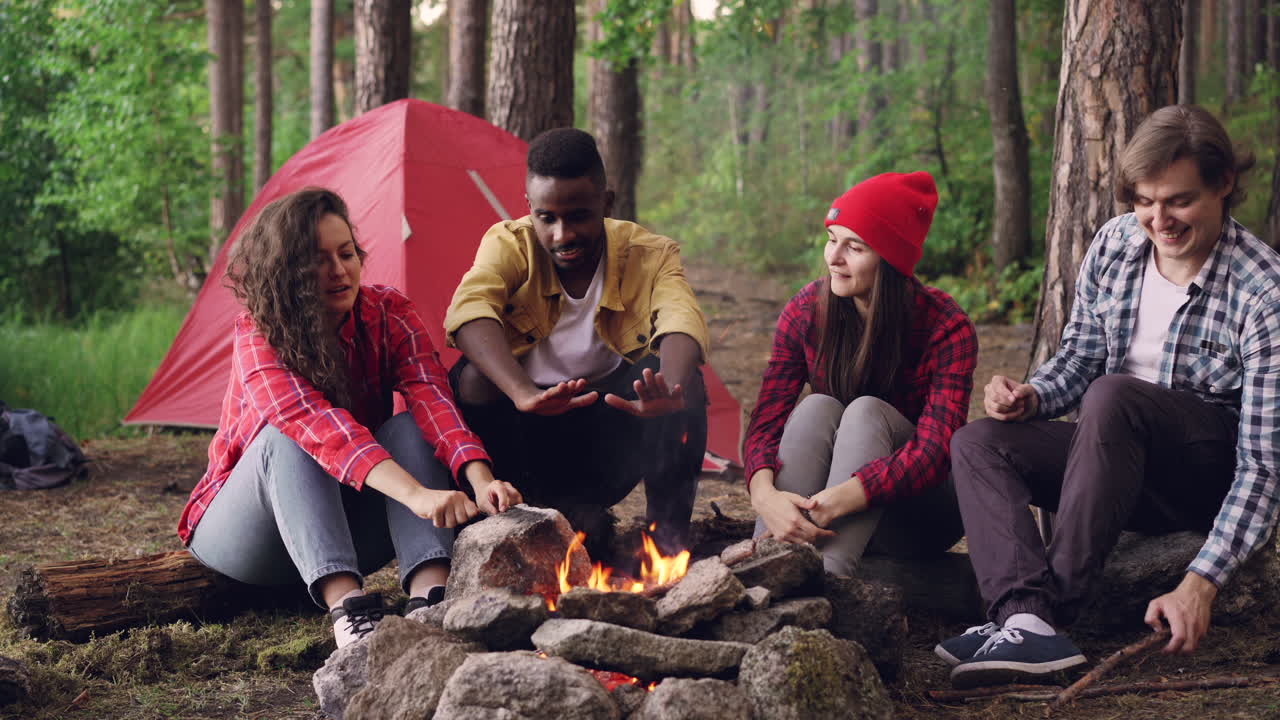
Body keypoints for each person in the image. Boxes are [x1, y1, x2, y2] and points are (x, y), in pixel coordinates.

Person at [942, 105, 1280, 689]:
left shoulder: (1263, 290)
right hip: (1115, 460)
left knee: (1114, 396)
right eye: (1145, 200)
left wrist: (1202, 580)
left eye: (1178, 200)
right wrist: (1030, 397)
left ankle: (1057, 613)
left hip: (1199, 479)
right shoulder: (1117, 243)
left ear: (1224, 184)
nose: (1159, 219)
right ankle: (1024, 616)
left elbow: (1263, 466)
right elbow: (1079, 358)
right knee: (979, 442)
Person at [179, 188, 521, 648]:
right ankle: (350, 611)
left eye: (347, 253)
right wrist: (417, 495)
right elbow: (318, 426)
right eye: (318, 260)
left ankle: (430, 597)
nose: (339, 271)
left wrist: (479, 480)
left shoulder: (388, 312)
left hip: (345, 521)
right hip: (249, 538)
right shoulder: (258, 333)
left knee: (409, 425)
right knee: (287, 438)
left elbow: (435, 400)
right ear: (285, 272)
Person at [443, 127, 709, 558]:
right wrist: (524, 393)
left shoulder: (650, 253)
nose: (562, 234)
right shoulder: (508, 243)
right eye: (546, 217)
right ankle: (503, 520)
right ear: (529, 208)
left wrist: (671, 391)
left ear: (606, 203)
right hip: (522, 443)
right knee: (473, 379)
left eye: (579, 215)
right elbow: (469, 311)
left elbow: (681, 317)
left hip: (603, 438)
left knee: (687, 384)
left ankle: (667, 545)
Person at [744, 171, 977, 577]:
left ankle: (832, 585)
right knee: (816, 406)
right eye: (832, 239)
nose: (833, 258)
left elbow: (935, 453)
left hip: (919, 518)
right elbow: (766, 423)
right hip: (825, 507)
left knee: (867, 411)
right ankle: (767, 572)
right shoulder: (806, 311)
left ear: (890, 260)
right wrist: (766, 497)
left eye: (854, 247)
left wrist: (836, 501)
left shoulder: (945, 325)